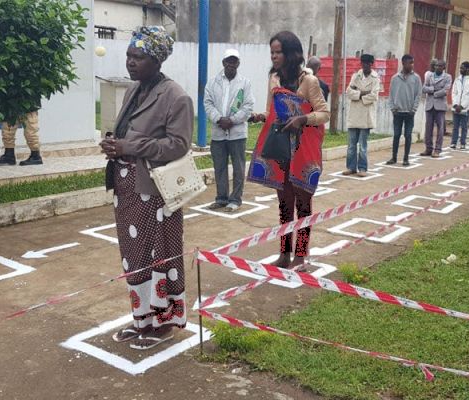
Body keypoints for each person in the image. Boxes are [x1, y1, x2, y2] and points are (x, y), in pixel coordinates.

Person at [99, 26, 193, 350]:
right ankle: (141, 318)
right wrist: (114, 144)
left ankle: (164, 322)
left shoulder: (176, 97)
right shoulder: (133, 91)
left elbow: (178, 145)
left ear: (156, 59)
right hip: (126, 187)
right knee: (134, 256)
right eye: (128, 55)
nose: (131, 62)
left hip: (155, 191)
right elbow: (128, 135)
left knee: (161, 254)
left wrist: (131, 146)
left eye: (138, 56)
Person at [250, 31, 330, 269]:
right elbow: (271, 111)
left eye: (278, 52)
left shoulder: (309, 81)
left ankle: (301, 255)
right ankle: (284, 254)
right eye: (272, 52)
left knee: (303, 205)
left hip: (303, 151)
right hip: (281, 150)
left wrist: (302, 119)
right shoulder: (273, 79)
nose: (274, 57)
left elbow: (325, 113)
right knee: (284, 204)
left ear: (291, 54)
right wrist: (258, 116)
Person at [203, 49, 254, 212]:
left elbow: (248, 106)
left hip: (237, 133)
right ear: (223, 62)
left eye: (234, 61)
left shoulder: (245, 83)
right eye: (228, 61)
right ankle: (221, 198)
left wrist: (232, 120)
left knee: (238, 167)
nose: (231, 64)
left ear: (238, 63)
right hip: (218, 133)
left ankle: (235, 199)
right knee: (220, 167)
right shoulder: (212, 82)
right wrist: (219, 119)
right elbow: (208, 103)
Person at [343, 54, 380, 177]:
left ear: (371, 64)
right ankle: (351, 167)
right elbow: (348, 92)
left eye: (367, 63)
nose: (364, 65)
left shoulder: (376, 79)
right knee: (351, 145)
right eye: (363, 63)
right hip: (354, 115)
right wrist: (362, 93)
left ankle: (362, 168)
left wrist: (358, 94)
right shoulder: (356, 76)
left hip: (366, 117)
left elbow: (374, 96)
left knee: (363, 146)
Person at [386, 54, 423, 166]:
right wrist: (393, 108)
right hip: (397, 112)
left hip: (409, 112)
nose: (412, 65)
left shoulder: (416, 78)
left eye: (412, 63)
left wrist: (414, 109)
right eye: (409, 63)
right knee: (396, 135)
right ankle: (394, 157)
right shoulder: (395, 78)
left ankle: (406, 158)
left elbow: (418, 95)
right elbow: (391, 95)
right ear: (403, 63)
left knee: (408, 135)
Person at [420, 59, 452, 158]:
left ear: (444, 67)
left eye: (439, 66)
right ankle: (428, 148)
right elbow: (424, 88)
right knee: (428, 128)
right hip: (430, 106)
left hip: (440, 106)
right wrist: (434, 89)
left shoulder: (447, 77)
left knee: (440, 129)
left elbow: (446, 91)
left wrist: (433, 93)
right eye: (436, 66)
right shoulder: (429, 76)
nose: (437, 67)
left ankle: (437, 149)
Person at [450, 61, 469, 150]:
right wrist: (455, 104)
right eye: (460, 68)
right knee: (455, 126)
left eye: (462, 68)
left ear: (467, 69)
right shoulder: (457, 79)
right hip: (456, 106)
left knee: (464, 127)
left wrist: (462, 106)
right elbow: (454, 92)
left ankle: (463, 143)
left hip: (465, 108)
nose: (460, 69)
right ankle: (453, 143)